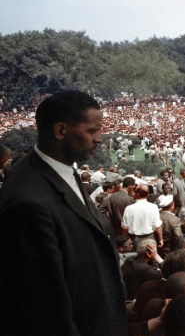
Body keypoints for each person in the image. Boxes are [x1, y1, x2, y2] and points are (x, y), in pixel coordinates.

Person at [0, 91, 127, 335]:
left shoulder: (60, 169)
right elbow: (44, 307)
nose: (99, 139)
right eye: (92, 131)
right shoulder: (28, 201)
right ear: (60, 131)